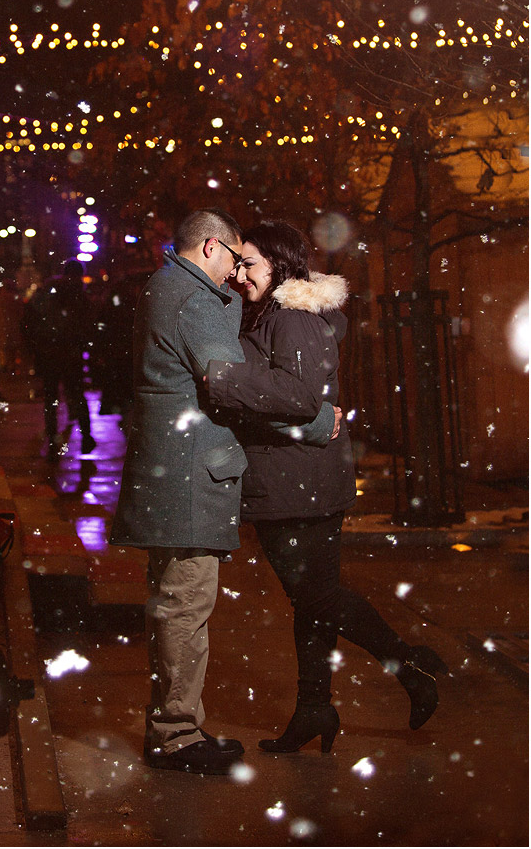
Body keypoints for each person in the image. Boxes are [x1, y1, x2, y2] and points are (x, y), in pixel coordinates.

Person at [205, 220, 449, 755]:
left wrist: (221, 379)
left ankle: (407, 663)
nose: (239, 274)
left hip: (299, 482)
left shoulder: (292, 319)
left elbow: (296, 396)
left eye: (249, 264)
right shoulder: (270, 314)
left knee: (316, 597)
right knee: (311, 601)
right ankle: (315, 706)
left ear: (280, 264)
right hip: (293, 479)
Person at [110, 209, 337, 776]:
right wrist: (317, 421)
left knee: (175, 604)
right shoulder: (193, 300)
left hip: (172, 471)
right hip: (187, 476)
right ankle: (176, 735)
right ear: (211, 247)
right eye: (235, 258)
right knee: (185, 606)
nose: (237, 273)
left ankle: (175, 725)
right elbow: (233, 385)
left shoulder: (166, 288)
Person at [27, 259, 95, 458]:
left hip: (50, 353)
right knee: (77, 395)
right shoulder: (79, 295)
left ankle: (52, 441)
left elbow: (33, 318)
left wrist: (38, 346)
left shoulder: (49, 291)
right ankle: (86, 437)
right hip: (71, 353)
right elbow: (87, 326)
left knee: (51, 398)